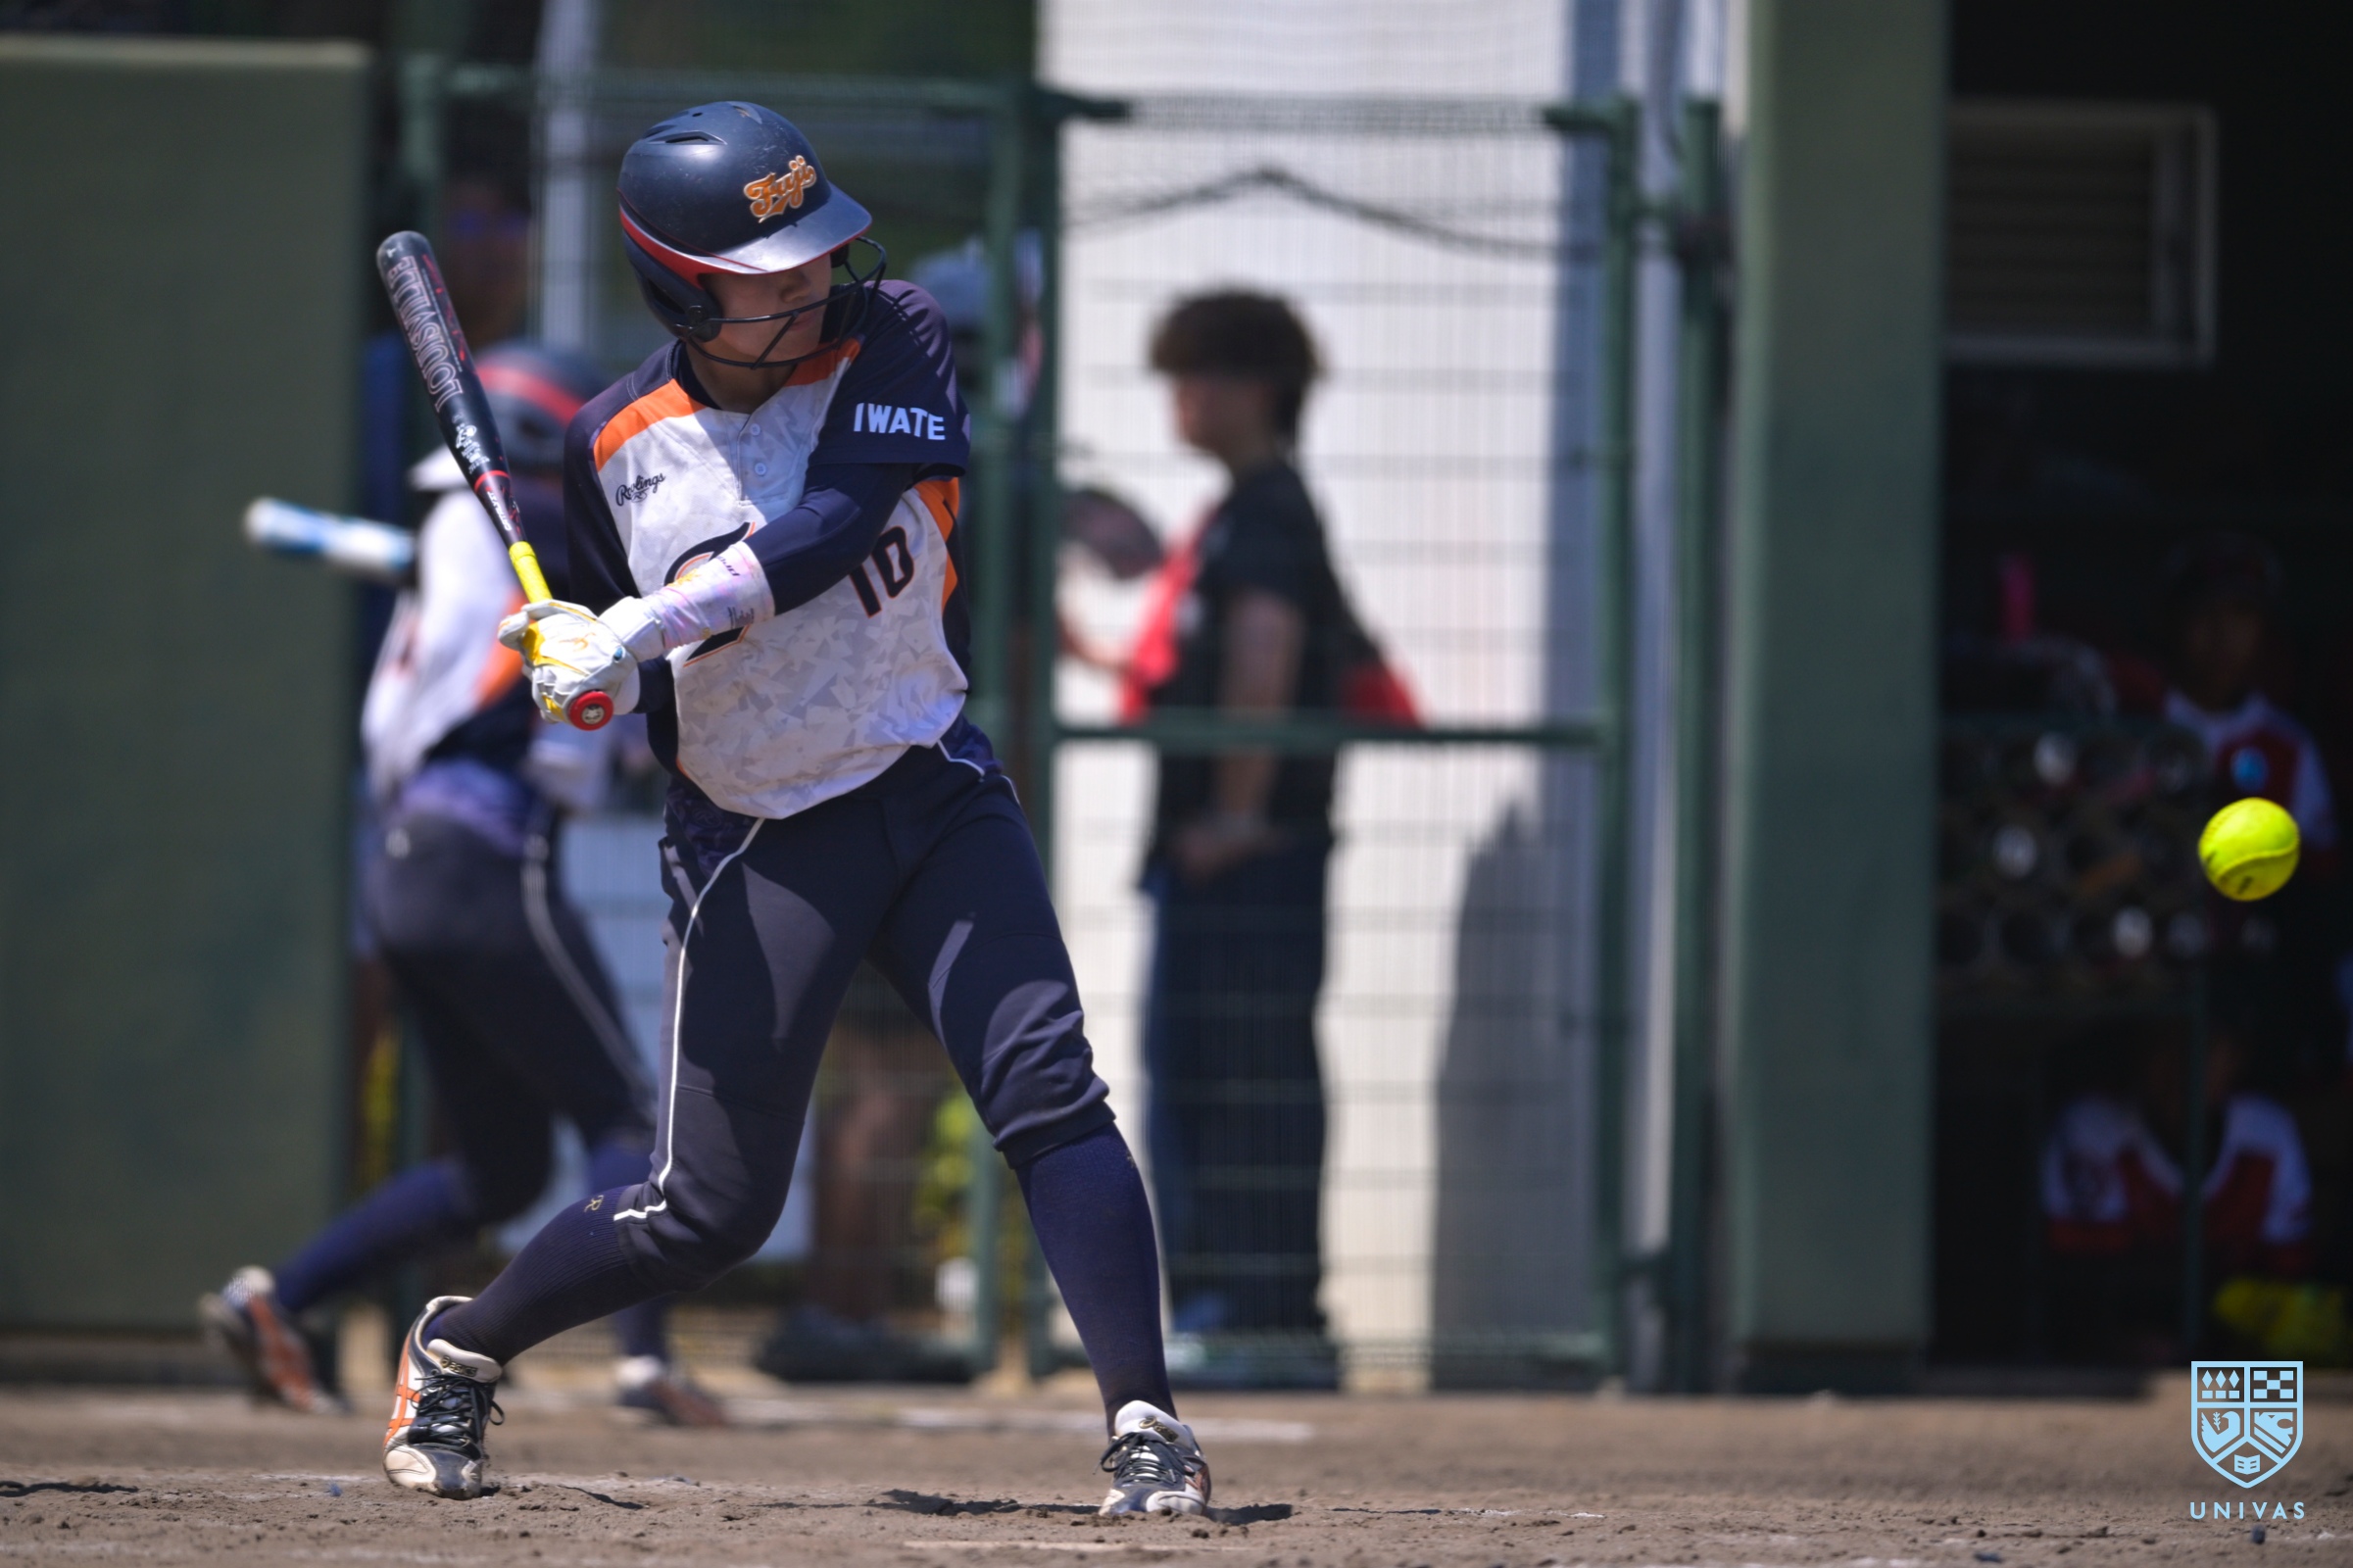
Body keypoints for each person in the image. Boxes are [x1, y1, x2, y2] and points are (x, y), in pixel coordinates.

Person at [374, 103, 1207, 1517]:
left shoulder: (894, 335)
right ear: (683, 291)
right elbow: (633, 679)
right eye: (770, 271)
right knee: (707, 1213)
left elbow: (834, 528)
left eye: (817, 249)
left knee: (1049, 1094)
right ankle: (458, 1347)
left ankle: (1147, 1422)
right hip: (754, 835)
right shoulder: (607, 444)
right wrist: (590, 676)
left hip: (927, 781)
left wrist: (641, 625)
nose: (813, 279)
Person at [203, 344, 723, 1427]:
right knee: (624, 1113)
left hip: (406, 865)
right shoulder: (524, 546)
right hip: (485, 857)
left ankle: (278, 1300)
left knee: (497, 1170)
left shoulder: (466, 546)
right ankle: (643, 1361)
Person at [1123, 292, 1348, 1387]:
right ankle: (1241, 1314)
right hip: (1227, 856)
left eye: (1201, 375)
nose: (1182, 397)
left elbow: (1266, 646)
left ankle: (1255, 1318)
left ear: (1260, 390)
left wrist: (1235, 812)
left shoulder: (1266, 513)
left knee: (1236, 1081)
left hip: (1245, 862)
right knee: (1212, 1075)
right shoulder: (1240, 511)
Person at [2043, 1027, 2313, 1362]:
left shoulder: (2268, 1133)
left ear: (2236, 1058)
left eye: (2205, 1046)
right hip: (2121, 1366)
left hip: (2230, 1363)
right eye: (2166, 1044)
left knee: (2279, 1378)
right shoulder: (2095, 1124)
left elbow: (2289, 1291)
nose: (2183, 1066)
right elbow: (2082, 1301)